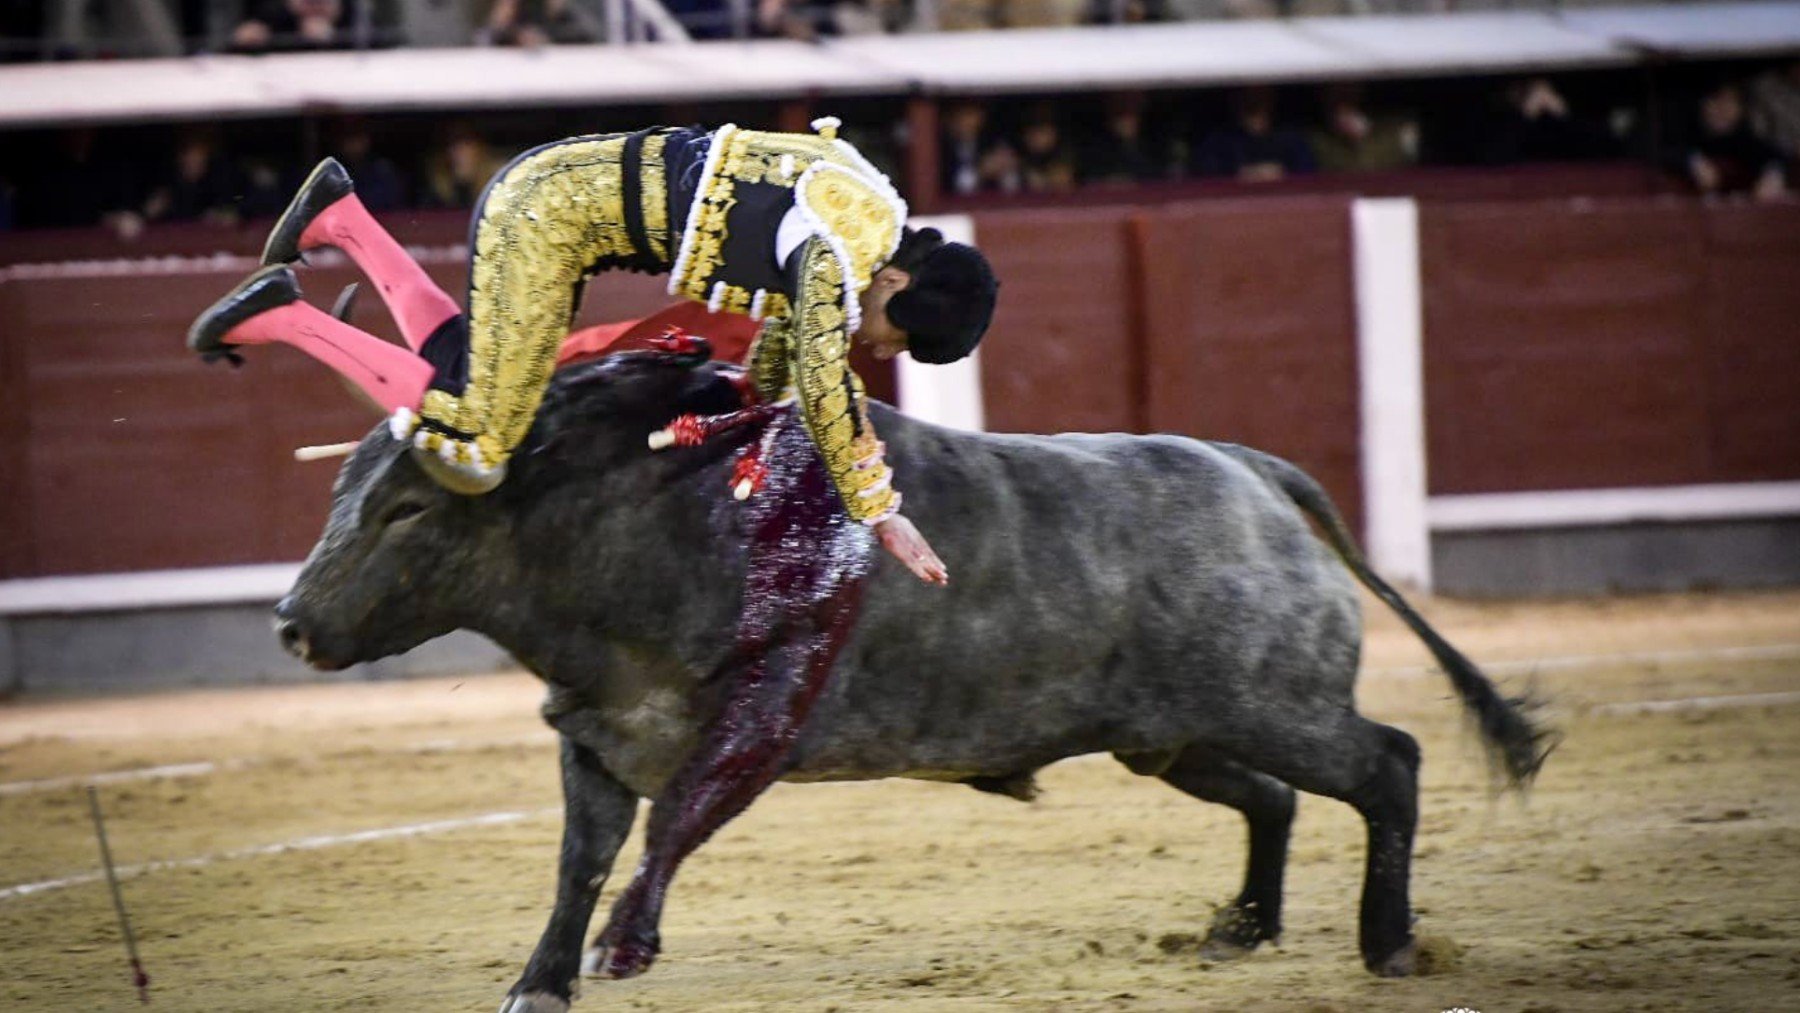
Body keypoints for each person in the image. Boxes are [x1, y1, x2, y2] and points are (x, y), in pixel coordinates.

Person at [187, 122, 998, 974]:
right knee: (475, 447)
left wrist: (733, 407)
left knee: (471, 371)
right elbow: (829, 384)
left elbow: (784, 361)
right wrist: (882, 509)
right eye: (897, 331)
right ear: (898, 282)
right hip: (551, 214)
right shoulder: (841, 254)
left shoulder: (866, 217)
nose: (884, 346)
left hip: (553, 197)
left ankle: (344, 218)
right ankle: (284, 316)